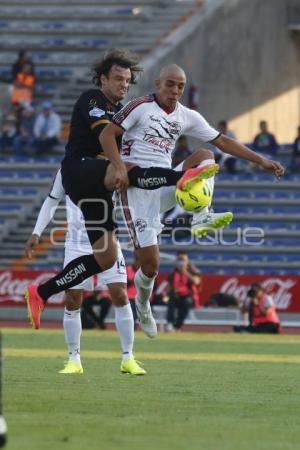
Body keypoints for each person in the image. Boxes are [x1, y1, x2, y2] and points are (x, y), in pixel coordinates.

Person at [24, 50, 206, 356]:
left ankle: (40, 292)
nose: (124, 84)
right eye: (118, 78)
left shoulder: (122, 109)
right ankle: (181, 179)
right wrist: (127, 165)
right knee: (128, 171)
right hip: (81, 169)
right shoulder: (92, 100)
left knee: (107, 258)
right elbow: (107, 136)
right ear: (103, 78)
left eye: (128, 80)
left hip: (98, 191)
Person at [99, 63, 284, 342]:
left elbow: (223, 142)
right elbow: (106, 135)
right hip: (136, 191)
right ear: (158, 84)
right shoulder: (139, 106)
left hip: (167, 183)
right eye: (170, 84)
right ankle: (143, 305)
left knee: (204, 154)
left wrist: (261, 161)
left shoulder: (186, 115)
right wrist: (120, 168)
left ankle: (202, 214)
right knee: (150, 266)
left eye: (180, 86)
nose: (175, 90)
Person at [165, 251, 201, 331]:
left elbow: (196, 281)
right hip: (175, 296)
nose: (181, 262)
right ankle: (170, 323)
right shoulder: (173, 272)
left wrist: (185, 272)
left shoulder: (192, 270)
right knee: (171, 298)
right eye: (179, 260)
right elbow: (168, 287)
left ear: (187, 261)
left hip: (187, 296)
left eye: (183, 259)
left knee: (187, 302)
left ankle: (177, 326)